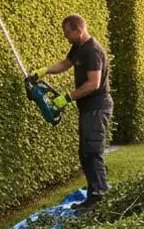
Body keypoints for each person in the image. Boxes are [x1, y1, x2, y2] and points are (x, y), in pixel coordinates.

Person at [30, 14, 112, 212]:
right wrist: (44, 71)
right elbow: (66, 64)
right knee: (86, 152)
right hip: (88, 109)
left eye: (67, 33)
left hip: (97, 107)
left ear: (78, 30)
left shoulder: (92, 51)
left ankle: (99, 198)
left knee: (92, 153)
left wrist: (66, 98)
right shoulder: (79, 47)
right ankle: (97, 192)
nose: (66, 37)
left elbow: (93, 84)